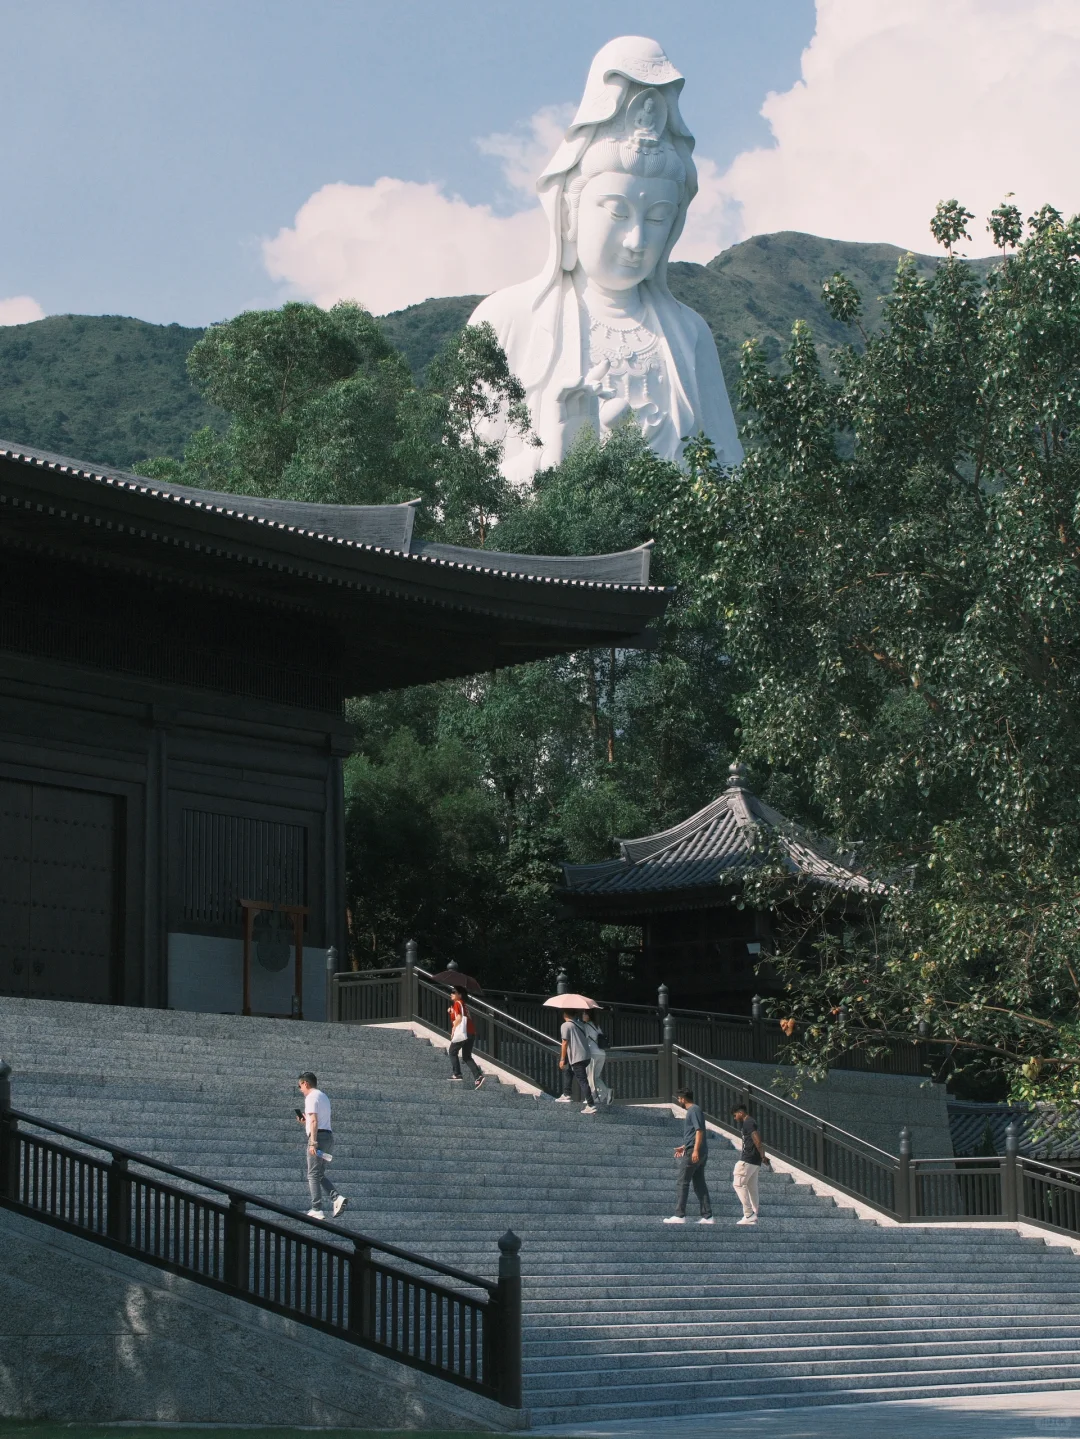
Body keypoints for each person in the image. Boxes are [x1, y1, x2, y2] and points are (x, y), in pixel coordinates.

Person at [468, 35, 742, 484]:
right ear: (571, 213)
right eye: (616, 212)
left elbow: (731, 481)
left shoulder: (689, 334)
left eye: (657, 218)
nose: (636, 239)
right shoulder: (507, 320)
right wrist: (551, 462)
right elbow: (452, 497)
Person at [296, 1071, 347, 1221]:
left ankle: (316, 1208)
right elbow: (315, 1120)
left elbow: (314, 1121)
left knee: (312, 1174)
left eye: (300, 1086)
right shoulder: (323, 1096)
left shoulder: (311, 1097)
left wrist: (312, 1141)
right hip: (328, 1137)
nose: (301, 1090)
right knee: (318, 1173)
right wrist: (306, 1122)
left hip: (318, 1137)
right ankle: (336, 1198)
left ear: (305, 1083)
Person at [664, 1087, 713, 1224]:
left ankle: (680, 1215)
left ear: (683, 1099)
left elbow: (699, 1131)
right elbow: (694, 1133)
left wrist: (695, 1150)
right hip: (695, 1149)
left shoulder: (693, 1110)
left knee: (682, 1182)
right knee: (699, 1184)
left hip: (695, 1152)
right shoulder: (695, 1110)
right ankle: (707, 1216)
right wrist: (685, 1146)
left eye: (679, 1098)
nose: (678, 1100)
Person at [731, 1103, 768, 1225]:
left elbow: (756, 1138)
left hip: (748, 1159)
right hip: (755, 1161)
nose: (735, 1118)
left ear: (741, 1112)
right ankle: (754, 1213)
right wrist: (761, 1157)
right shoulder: (751, 1122)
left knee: (738, 1184)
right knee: (752, 1186)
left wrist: (763, 1155)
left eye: (735, 1115)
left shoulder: (748, 1122)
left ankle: (749, 1214)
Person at [557, 1009, 597, 1114]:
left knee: (582, 1080)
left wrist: (562, 1059)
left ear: (565, 1014)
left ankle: (591, 1104)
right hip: (585, 1056)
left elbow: (564, 1042)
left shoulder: (566, 1025)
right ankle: (566, 1094)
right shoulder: (579, 1024)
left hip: (577, 1057)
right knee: (568, 1071)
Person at [447, 986, 485, 1089]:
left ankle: (457, 1074)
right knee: (467, 1056)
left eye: (454, 992)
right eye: (451, 992)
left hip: (463, 1033)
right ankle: (478, 1077)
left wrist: (453, 1030)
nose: (451, 994)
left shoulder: (457, 1003)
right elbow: (461, 1017)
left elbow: (458, 1019)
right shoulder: (464, 1005)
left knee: (452, 1051)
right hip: (471, 1033)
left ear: (460, 995)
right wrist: (451, 1013)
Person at [583, 1009, 612, 1106]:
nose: (582, 1015)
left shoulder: (586, 1026)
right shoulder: (597, 1026)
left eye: (584, 1013)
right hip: (602, 1053)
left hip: (593, 1054)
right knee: (595, 1077)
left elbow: (585, 1040)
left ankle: (592, 1097)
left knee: (590, 1076)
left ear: (588, 1015)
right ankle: (606, 1092)